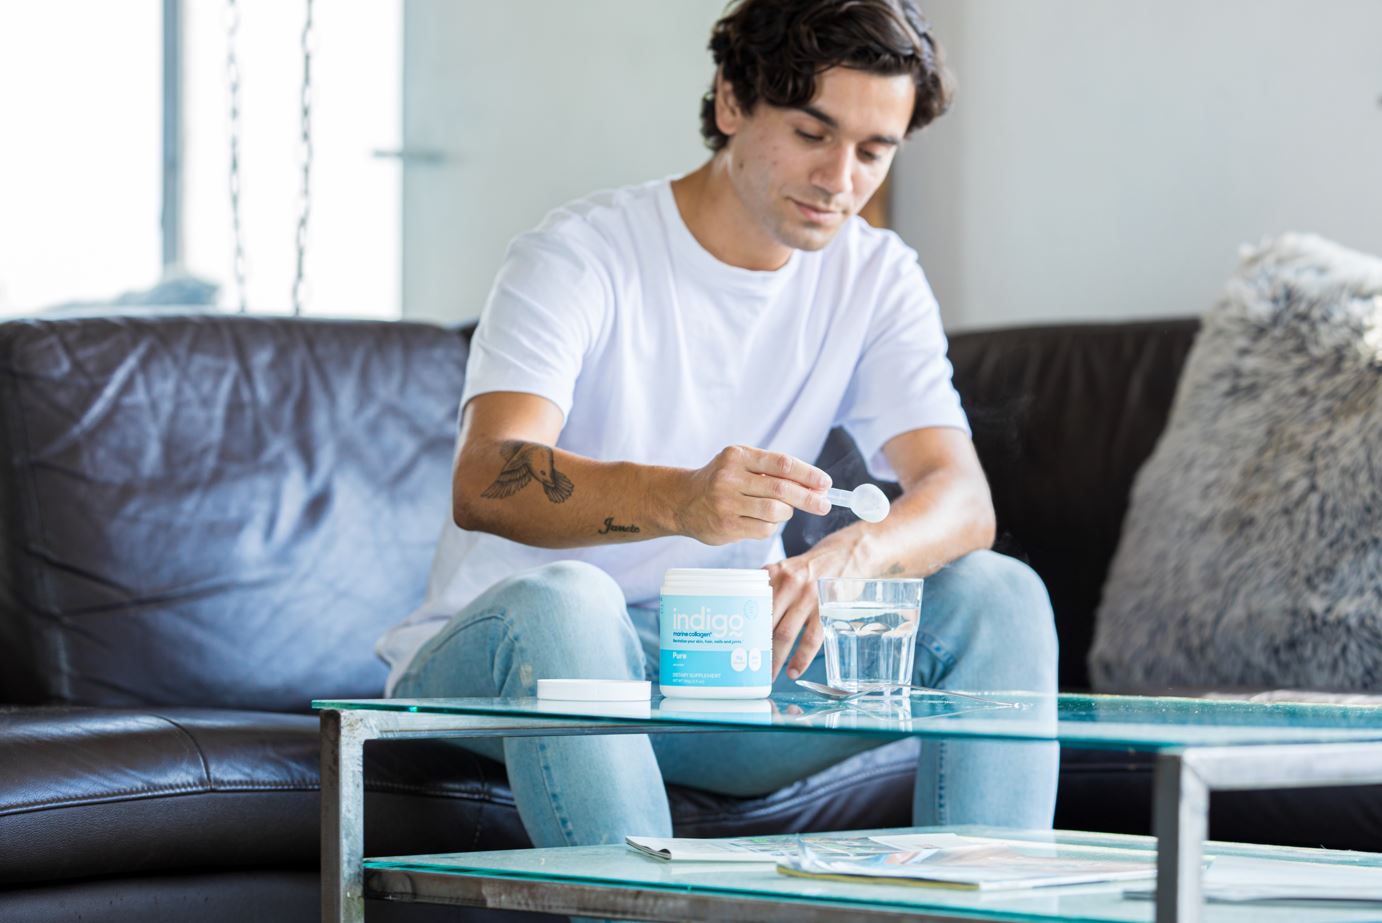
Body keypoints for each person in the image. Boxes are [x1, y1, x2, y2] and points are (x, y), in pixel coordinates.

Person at [376, 0, 1058, 850]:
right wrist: (682, 500)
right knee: (575, 603)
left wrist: (852, 556)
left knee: (1000, 593)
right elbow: (487, 478)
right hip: (516, 663)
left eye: (874, 150)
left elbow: (963, 499)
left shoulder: (878, 276)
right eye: (813, 134)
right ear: (732, 101)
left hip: (719, 668)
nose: (841, 179)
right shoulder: (579, 254)